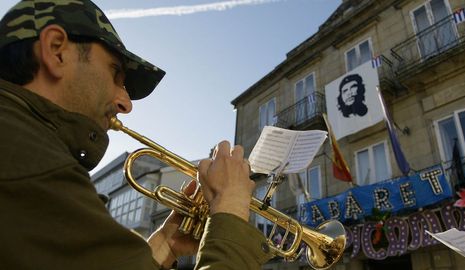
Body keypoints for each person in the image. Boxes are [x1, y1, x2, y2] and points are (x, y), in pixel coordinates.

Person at [0, 1, 273, 269]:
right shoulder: (37, 166)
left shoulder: (23, 147)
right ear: (56, 51)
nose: (126, 104)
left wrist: (167, 243)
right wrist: (231, 210)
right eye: (115, 73)